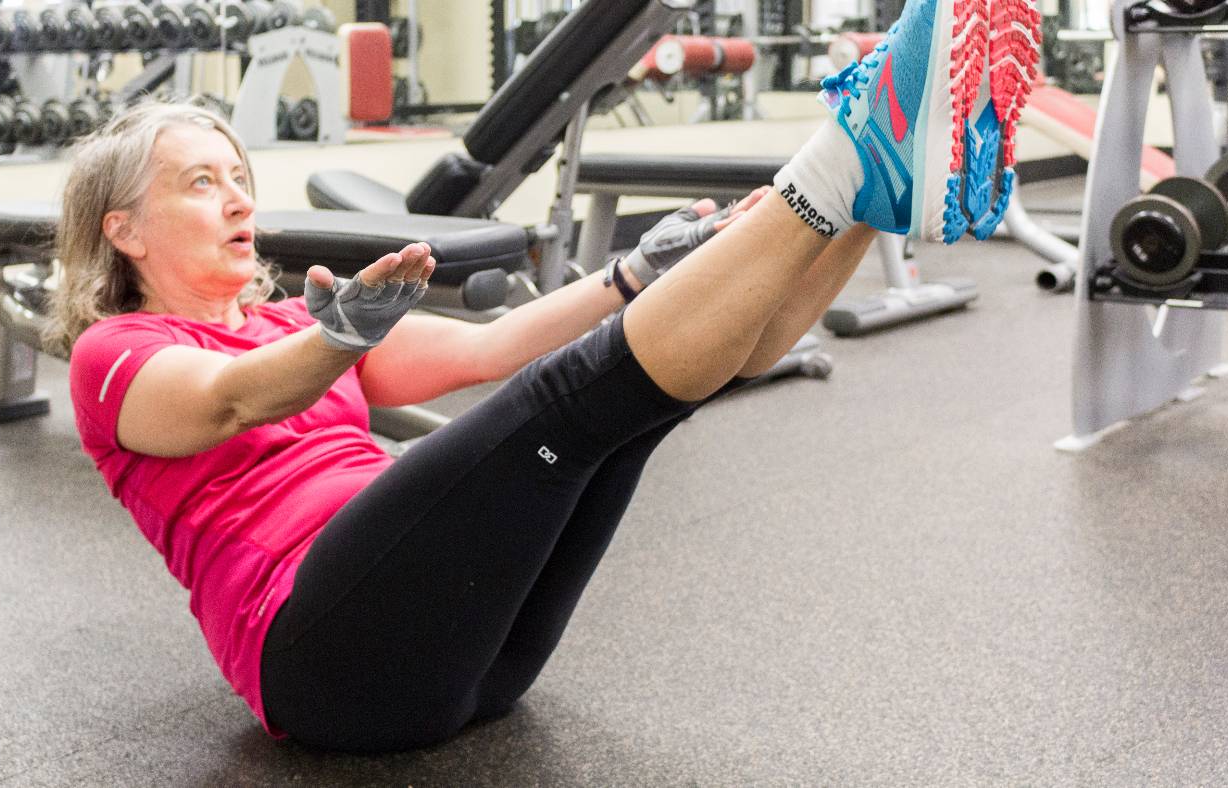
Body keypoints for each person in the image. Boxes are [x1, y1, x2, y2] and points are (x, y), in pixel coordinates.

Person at [51, 0, 1037, 754]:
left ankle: (863, 191)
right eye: (198, 181)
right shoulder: (115, 355)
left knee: (623, 412)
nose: (235, 198)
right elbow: (230, 397)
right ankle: (848, 153)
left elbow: (491, 348)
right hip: (329, 667)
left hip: (474, 657)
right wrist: (335, 339)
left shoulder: (281, 319)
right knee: (574, 401)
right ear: (122, 230)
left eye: (238, 178)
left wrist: (641, 271)